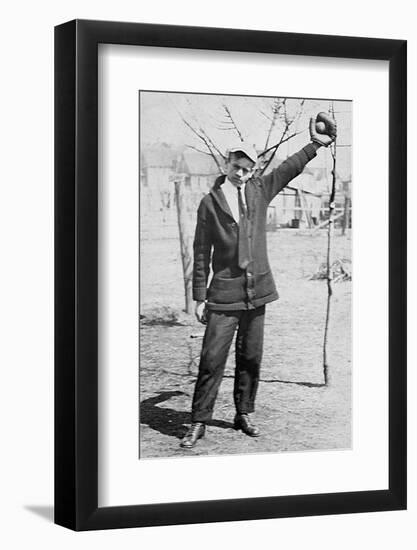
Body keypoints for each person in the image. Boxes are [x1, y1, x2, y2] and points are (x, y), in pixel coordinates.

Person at [180, 112, 337, 449]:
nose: (241, 173)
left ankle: (244, 413)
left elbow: (287, 168)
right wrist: (198, 297)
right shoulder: (209, 204)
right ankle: (198, 421)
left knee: (251, 356)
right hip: (223, 294)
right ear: (226, 163)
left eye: (247, 169)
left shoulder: (259, 190)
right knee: (211, 359)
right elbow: (201, 251)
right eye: (237, 166)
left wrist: (314, 146)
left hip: (258, 291)